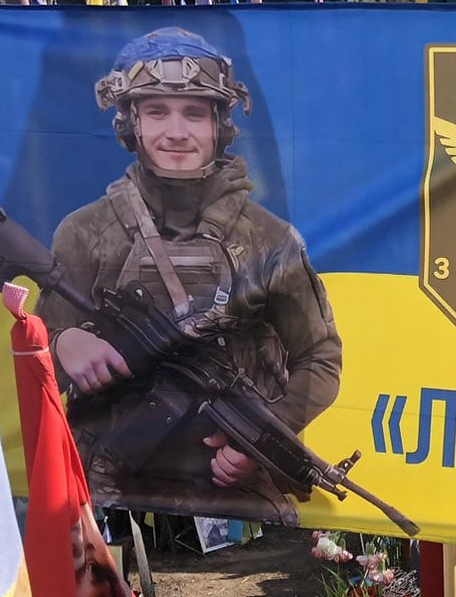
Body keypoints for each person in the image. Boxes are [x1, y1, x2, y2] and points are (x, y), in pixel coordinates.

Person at [37, 27, 342, 523]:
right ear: (130, 123)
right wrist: (63, 343)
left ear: (220, 125)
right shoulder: (85, 232)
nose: (176, 131)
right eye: (157, 111)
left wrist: (260, 438)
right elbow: (35, 352)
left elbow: (321, 357)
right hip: (106, 500)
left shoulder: (269, 239)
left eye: (194, 113)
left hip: (236, 504)